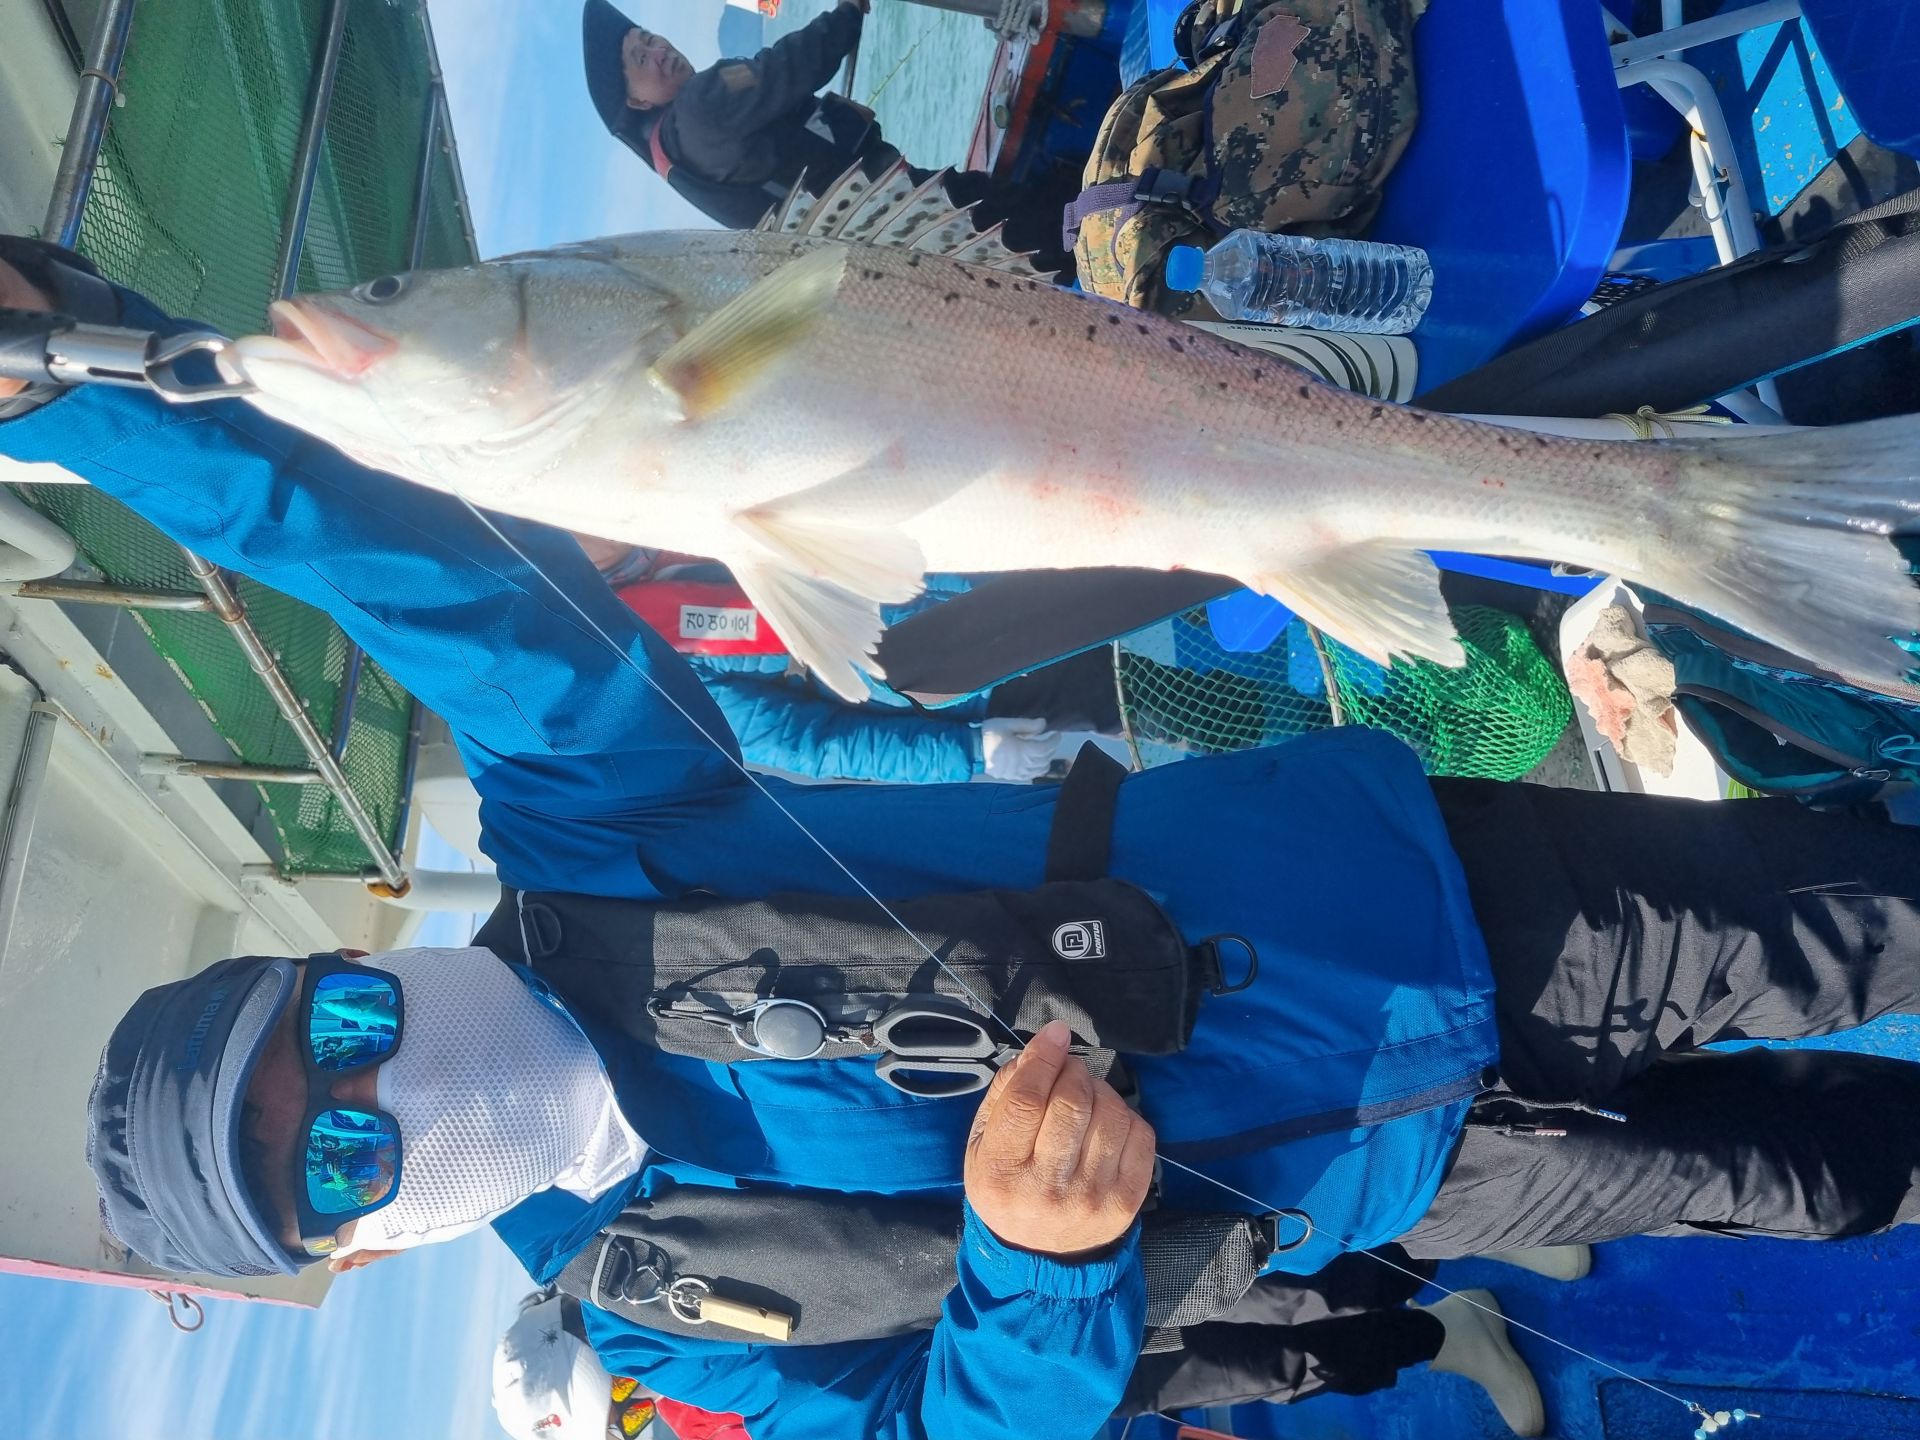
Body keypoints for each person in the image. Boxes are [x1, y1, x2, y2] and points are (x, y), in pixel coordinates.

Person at [10, 239, 1920, 1440]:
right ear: (359, 1249)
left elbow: (450, 599)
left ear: (342, 963)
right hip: (1421, 1188)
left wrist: (109, 400)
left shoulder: (592, 829)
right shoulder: (656, 1312)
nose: (384, 1088)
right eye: (340, 1155)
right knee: (1819, 1184)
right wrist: (1034, 1265)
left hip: (1431, 906)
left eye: (335, 1031)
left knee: (1871, 923)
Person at [580, 0, 1078, 274]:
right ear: (637, 102)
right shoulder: (700, 105)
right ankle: (1098, 227)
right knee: (1026, 220)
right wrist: (847, 12)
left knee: (1008, 244)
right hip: (895, 215)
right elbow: (789, 66)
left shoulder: (678, 159)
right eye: (640, 59)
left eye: (649, 38)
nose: (659, 51)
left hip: (865, 252)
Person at [579, 545, 1118, 784]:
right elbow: (815, 743)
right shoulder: (662, 666)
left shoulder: (686, 515)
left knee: (1146, 591)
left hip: (1010, 569)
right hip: (977, 679)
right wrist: (971, 752)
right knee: (1138, 694)